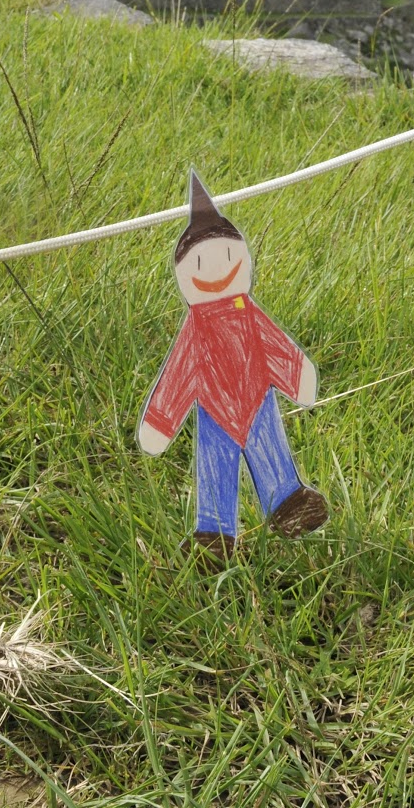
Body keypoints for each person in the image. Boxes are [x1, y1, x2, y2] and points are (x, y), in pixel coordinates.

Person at [138, 170, 328, 556]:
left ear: (239, 257)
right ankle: (215, 534)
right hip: (214, 415)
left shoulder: (250, 315)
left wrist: (298, 376)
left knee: (270, 448)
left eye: (227, 257)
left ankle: (288, 502)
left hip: (259, 402)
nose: (217, 271)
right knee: (216, 469)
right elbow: (178, 375)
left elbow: (276, 347)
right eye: (200, 263)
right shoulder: (195, 331)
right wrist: (161, 421)